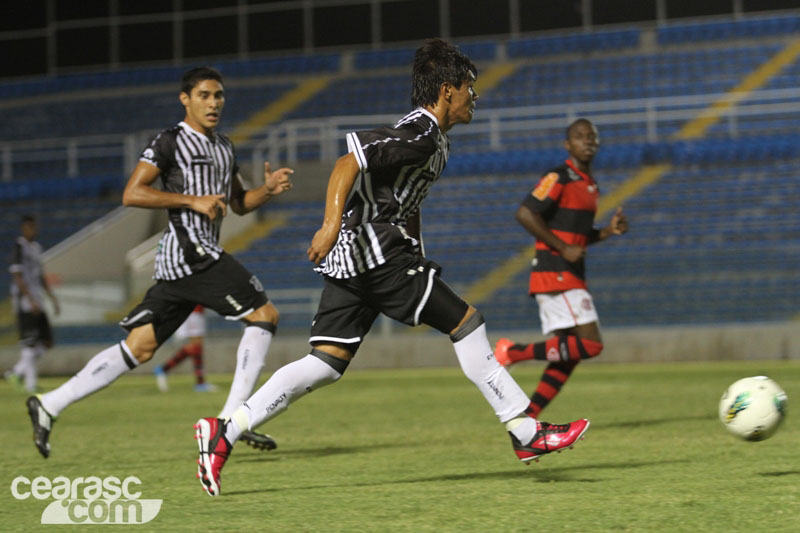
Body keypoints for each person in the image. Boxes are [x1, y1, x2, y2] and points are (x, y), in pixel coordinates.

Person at [193, 39, 590, 497]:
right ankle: (524, 429)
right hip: (376, 254)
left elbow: (406, 198)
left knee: (324, 364)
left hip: (361, 260)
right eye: (469, 88)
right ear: (446, 90)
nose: (475, 96)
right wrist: (329, 226)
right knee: (466, 323)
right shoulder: (421, 133)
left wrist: (415, 249)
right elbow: (347, 162)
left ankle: (224, 431)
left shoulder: (434, 140)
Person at [26, 66, 290, 458]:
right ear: (185, 99)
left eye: (218, 95)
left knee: (140, 346)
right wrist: (191, 201)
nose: (213, 103)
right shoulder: (170, 142)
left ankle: (49, 404)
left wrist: (265, 191)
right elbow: (132, 193)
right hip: (190, 253)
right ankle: (230, 421)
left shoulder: (224, 147)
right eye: (204, 95)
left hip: (184, 263)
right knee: (264, 315)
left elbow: (237, 203)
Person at [494, 118, 628, 417]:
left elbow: (578, 237)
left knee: (568, 355)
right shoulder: (559, 177)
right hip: (555, 272)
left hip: (570, 273)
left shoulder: (590, 185)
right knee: (591, 345)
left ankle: (528, 418)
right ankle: (513, 352)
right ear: (568, 145)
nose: (587, 140)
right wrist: (563, 248)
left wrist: (608, 231)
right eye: (580, 136)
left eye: (592, 136)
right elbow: (526, 213)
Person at [4, 215, 60, 393]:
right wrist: (30, 300)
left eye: (34, 227)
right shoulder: (19, 248)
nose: (33, 231)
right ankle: (30, 385)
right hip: (25, 303)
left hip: (38, 301)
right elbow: (17, 276)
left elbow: (40, 275)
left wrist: (52, 297)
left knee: (46, 342)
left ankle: (15, 372)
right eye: (29, 227)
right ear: (23, 228)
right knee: (29, 344)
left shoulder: (36, 248)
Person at [154, 305, 216, 392]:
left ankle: (200, 382)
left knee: (196, 347)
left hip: (193, 311)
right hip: (193, 311)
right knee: (196, 346)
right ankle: (164, 369)